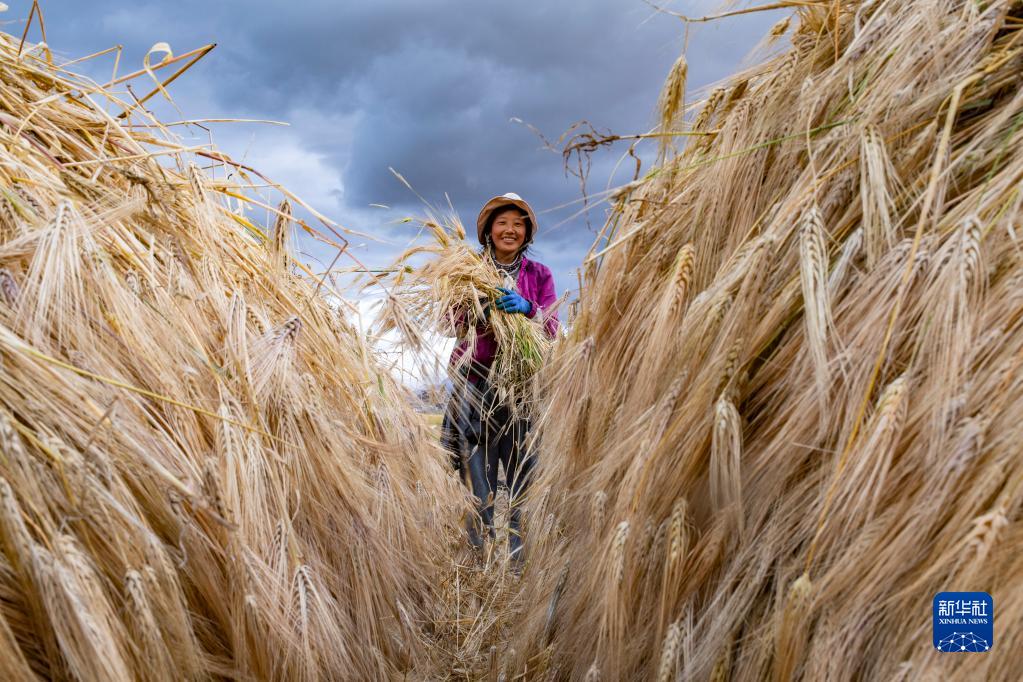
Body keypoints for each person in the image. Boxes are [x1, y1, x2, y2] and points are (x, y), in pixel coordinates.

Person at [440, 192, 559, 564]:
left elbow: (552, 328)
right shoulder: (467, 271)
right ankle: (482, 567)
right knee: (479, 485)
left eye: (519, 224)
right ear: (488, 230)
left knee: (525, 479)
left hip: (522, 389)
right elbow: (447, 324)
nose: (511, 230)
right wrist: (476, 308)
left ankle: (521, 567)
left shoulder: (539, 275)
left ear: (527, 233)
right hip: (475, 385)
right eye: (503, 222)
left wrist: (528, 309)